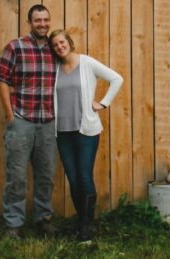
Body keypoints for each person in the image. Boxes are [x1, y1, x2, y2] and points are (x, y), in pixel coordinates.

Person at [49, 29, 123, 241]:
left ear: (69, 42)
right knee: (72, 178)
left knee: (83, 175)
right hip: (62, 132)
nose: (59, 47)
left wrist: (103, 103)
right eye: (55, 45)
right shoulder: (56, 68)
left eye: (62, 42)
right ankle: (82, 222)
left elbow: (117, 79)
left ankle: (87, 228)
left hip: (86, 131)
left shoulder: (87, 63)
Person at [0, 4, 58, 238]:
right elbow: (2, 79)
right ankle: (13, 224)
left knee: (46, 175)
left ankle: (43, 219)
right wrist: (10, 115)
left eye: (46, 20)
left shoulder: (55, 48)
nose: (42, 24)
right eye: (38, 20)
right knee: (17, 175)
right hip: (22, 120)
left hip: (48, 122)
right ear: (29, 23)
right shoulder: (16, 47)